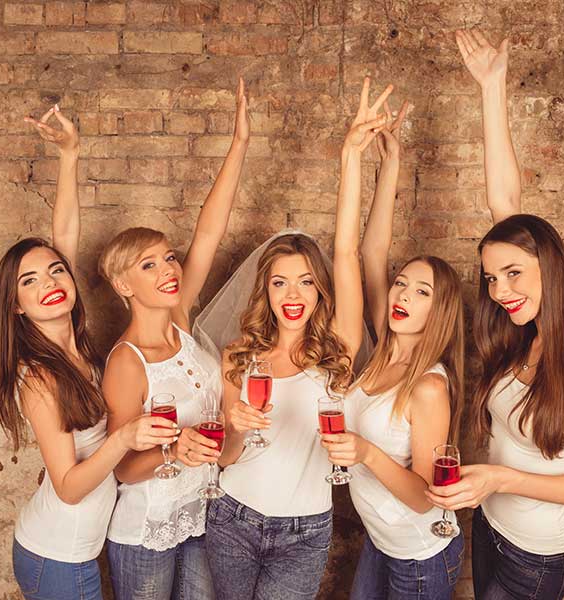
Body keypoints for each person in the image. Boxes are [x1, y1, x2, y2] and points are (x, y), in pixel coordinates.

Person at [427, 29, 564, 600]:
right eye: (492, 278)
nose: (500, 290)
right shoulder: (525, 335)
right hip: (491, 529)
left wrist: (499, 478)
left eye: (515, 273)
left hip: (537, 559)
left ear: (550, 266)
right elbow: (505, 207)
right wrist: (492, 89)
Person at [191, 78, 392, 599]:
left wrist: (350, 156)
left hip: (305, 530)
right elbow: (227, 458)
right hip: (232, 516)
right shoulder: (240, 357)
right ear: (267, 291)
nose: (293, 292)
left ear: (319, 289)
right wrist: (233, 427)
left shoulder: (336, 352)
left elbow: (347, 251)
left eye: (305, 280)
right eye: (280, 281)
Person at [0, 105, 174, 600]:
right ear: (16, 306)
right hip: (56, 556)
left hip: (72, 552)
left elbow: (64, 235)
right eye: (29, 282)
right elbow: (70, 486)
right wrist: (126, 438)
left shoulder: (82, 353)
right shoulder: (37, 378)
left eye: (56, 272)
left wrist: (70, 155)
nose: (49, 283)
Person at [98, 79, 250, 600]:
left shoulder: (182, 316)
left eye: (167, 257)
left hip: (202, 515)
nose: (168, 268)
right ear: (122, 285)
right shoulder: (126, 362)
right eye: (149, 264)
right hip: (146, 528)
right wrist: (173, 452)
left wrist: (239, 147)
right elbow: (121, 465)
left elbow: (209, 233)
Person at [319, 86, 466, 599]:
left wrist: (365, 452)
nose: (402, 293)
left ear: (439, 310)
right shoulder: (383, 344)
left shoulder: (428, 386)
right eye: (401, 282)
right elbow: (370, 249)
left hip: (421, 553)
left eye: (420, 291)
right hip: (384, 541)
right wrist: (391, 164)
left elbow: (427, 498)